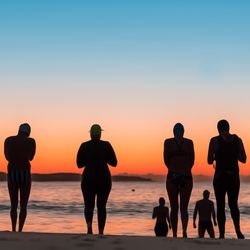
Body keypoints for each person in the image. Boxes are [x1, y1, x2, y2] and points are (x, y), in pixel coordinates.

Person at [208, 119, 246, 239]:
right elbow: (243, 159)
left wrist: (216, 155)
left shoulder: (214, 141)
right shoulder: (238, 140)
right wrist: (234, 154)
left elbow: (209, 161)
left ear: (218, 129)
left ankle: (222, 234)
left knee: (220, 205)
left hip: (220, 177)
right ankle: (238, 230)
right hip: (234, 176)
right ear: (229, 128)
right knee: (233, 205)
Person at [76, 124, 117, 235]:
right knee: (101, 206)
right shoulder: (106, 145)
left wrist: (89, 159)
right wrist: (103, 157)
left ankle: (89, 227)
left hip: (88, 178)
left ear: (90, 134)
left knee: (88, 205)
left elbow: (79, 164)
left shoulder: (84, 145)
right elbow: (114, 163)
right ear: (100, 134)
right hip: (104, 178)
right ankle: (101, 231)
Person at [164, 123, 195, 238]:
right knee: (178, 208)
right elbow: (166, 160)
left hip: (181, 176)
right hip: (176, 176)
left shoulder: (188, 143)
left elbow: (192, 160)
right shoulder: (168, 142)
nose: (178, 132)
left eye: (178, 130)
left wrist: (178, 169)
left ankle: (182, 232)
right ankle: (178, 233)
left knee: (180, 208)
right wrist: (180, 169)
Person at [4, 123, 36, 232]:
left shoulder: (8, 140)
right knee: (23, 206)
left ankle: (13, 229)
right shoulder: (31, 141)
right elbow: (31, 157)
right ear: (28, 133)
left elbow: (7, 157)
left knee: (13, 205)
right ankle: (20, 230)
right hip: (25, 174)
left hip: (12, 173)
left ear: (18, 131)